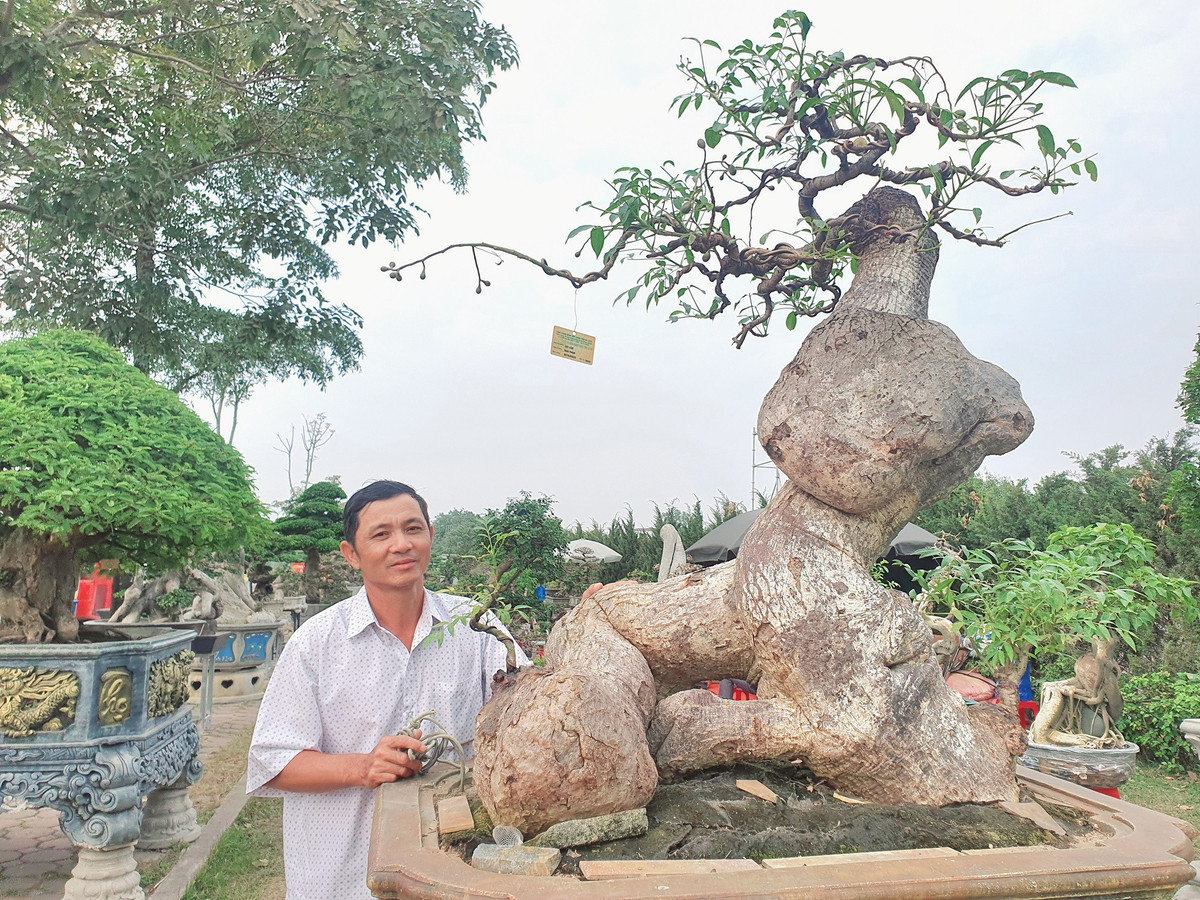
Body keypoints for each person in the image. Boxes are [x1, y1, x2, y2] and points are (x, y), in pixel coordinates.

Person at [246, 480, 527, 900]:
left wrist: (585, 628)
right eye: (381, 534)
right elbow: (274, 762)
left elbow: (535, 708)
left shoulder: (476, 627)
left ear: (430, 536)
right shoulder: (317, 644)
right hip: (343, 877)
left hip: (457, 872)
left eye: (413, 528)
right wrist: (363, 768)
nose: (401, 544)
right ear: (351, 555)